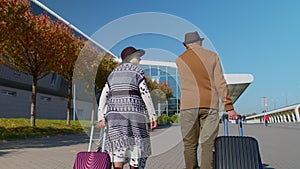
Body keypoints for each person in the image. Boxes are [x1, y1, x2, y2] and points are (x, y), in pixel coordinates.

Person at [176, 31, 238, 169]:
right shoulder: (213, 57)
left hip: (188, 107)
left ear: (185, 45)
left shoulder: (180, 59)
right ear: (201, 42)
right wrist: (229, 107)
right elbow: (220, 83)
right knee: (208, 144)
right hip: (210, 106)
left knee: (190, 144)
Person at [97, 46, 157, 169]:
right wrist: (152, 116)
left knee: (117, 151)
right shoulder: (137, 72)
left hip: (114, 118)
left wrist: (101, 116)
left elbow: (104, 95)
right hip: (134, 117)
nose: (140, 59)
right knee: (135, 149)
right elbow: (145, 94)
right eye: (137, 56)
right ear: (131, 58)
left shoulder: (113, 73)